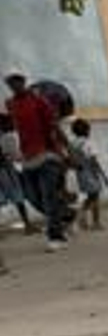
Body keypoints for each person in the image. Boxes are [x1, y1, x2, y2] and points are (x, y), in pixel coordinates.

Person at [5, 71, 71, 250]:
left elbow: (54, 126)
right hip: (27, 158)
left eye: (17, 80)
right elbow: (12, 128)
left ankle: (55, 237)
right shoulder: (10, 104)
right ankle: (65, 214)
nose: (14, 84)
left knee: (48, 195)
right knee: (33, 197)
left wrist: (67, 151)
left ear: (24, 81)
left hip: (48, 155)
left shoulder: (39, 101)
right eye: (10, 82)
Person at [67, 119, 108, 231]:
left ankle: (82, 218)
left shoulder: (72, 144)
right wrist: (103, 176)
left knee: (89, 197)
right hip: (90, 172)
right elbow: (93, 160)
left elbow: (69, 160)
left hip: (79, 174)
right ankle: (95, 222)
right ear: (87, 130)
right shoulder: (88, 143)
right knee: (95, 197)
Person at [0, 113, 33, 233]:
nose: (13, 125)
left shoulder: (6, 136)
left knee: (11, 197)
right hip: (7, 171)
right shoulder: (7, 137)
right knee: (18, 196)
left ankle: (27, 224)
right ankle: (27, 224)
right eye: (10, 123)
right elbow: (13, 155)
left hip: (7, 169)